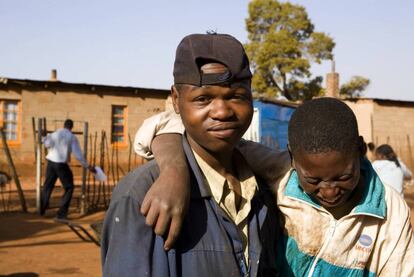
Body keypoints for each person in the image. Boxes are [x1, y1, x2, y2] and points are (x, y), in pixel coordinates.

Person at [135, 98, 414, 276]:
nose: (329, 191)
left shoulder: (389, 213)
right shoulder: (280, 171)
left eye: (342, 177)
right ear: (293, 158)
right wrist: (174, 170)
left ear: (360, 151)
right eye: (313, 181)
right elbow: (175, 126)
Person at [101, 33, 283, 276]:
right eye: (203, 99)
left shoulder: (264, 190)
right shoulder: (141, 195)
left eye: (236, 96)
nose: (222, 111)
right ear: (176, 101)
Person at [40, 119, 95, 219]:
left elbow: (47, 144)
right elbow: (78, 155)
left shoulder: (55, 133)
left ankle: (41, 210)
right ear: (71, 127)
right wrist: (88, 166)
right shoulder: (72, 137)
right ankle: (61, 213)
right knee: (69, 187)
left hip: (51, 163)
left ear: (64, 125)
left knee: (47, 186)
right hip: (61, 164)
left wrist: (44, 136)